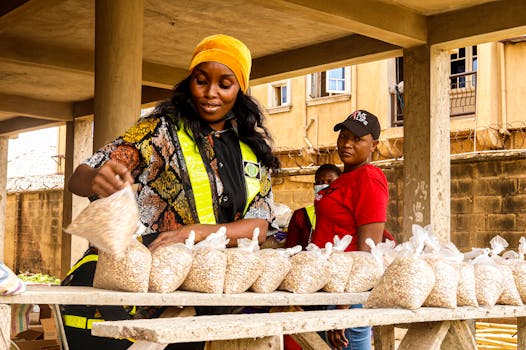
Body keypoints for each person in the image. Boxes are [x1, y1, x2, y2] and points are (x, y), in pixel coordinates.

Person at [61, 34, 280, 350]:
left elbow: (258, 227)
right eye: (201, 81)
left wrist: (194, 233)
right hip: (135, 290)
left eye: (225, 84)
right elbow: (78, 177)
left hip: (196, 296)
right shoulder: (158, 130)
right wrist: (98, 179)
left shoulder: (251, 151)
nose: (210, 93)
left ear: (240, 89)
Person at [310, 110, 389, 350]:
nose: (346, 143)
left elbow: (366, 251)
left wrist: (342, 309)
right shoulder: (342, 180)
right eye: (343, 136)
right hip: (329, 289)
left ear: (373, 145)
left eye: (357, 139)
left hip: (347, 298)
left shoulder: (369, 178)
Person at [285, 163, 341, 249]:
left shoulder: (348, 213)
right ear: (314, 186)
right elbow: (291, 248)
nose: (325, 185)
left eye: (330, 182)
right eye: (320, 182)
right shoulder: (300, 215)